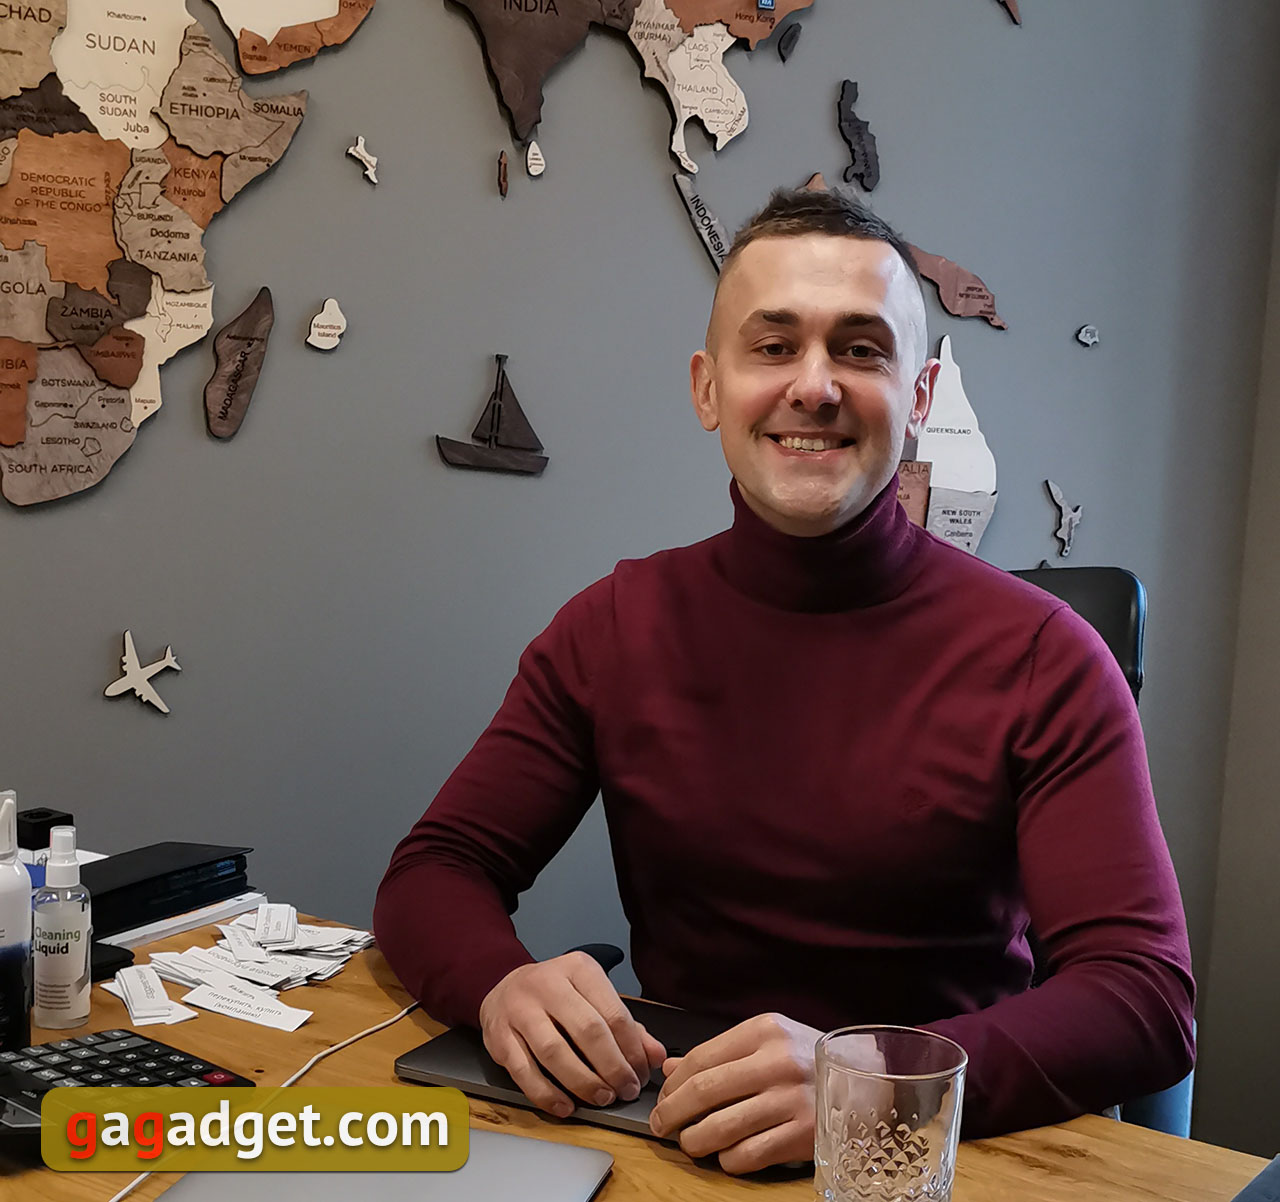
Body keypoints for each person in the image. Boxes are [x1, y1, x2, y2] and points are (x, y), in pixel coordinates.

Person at [374, 187, 1195, 1174]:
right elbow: (437, 868)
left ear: (919, 398)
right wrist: (499, 984)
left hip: (926, 1157)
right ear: (707, 388)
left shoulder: (1045, 656)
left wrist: (872, 1080)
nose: (814, 386)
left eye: (860, 350)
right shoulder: (612, 626)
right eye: (772, 346)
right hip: (678, 1136)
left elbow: (1143, 998)